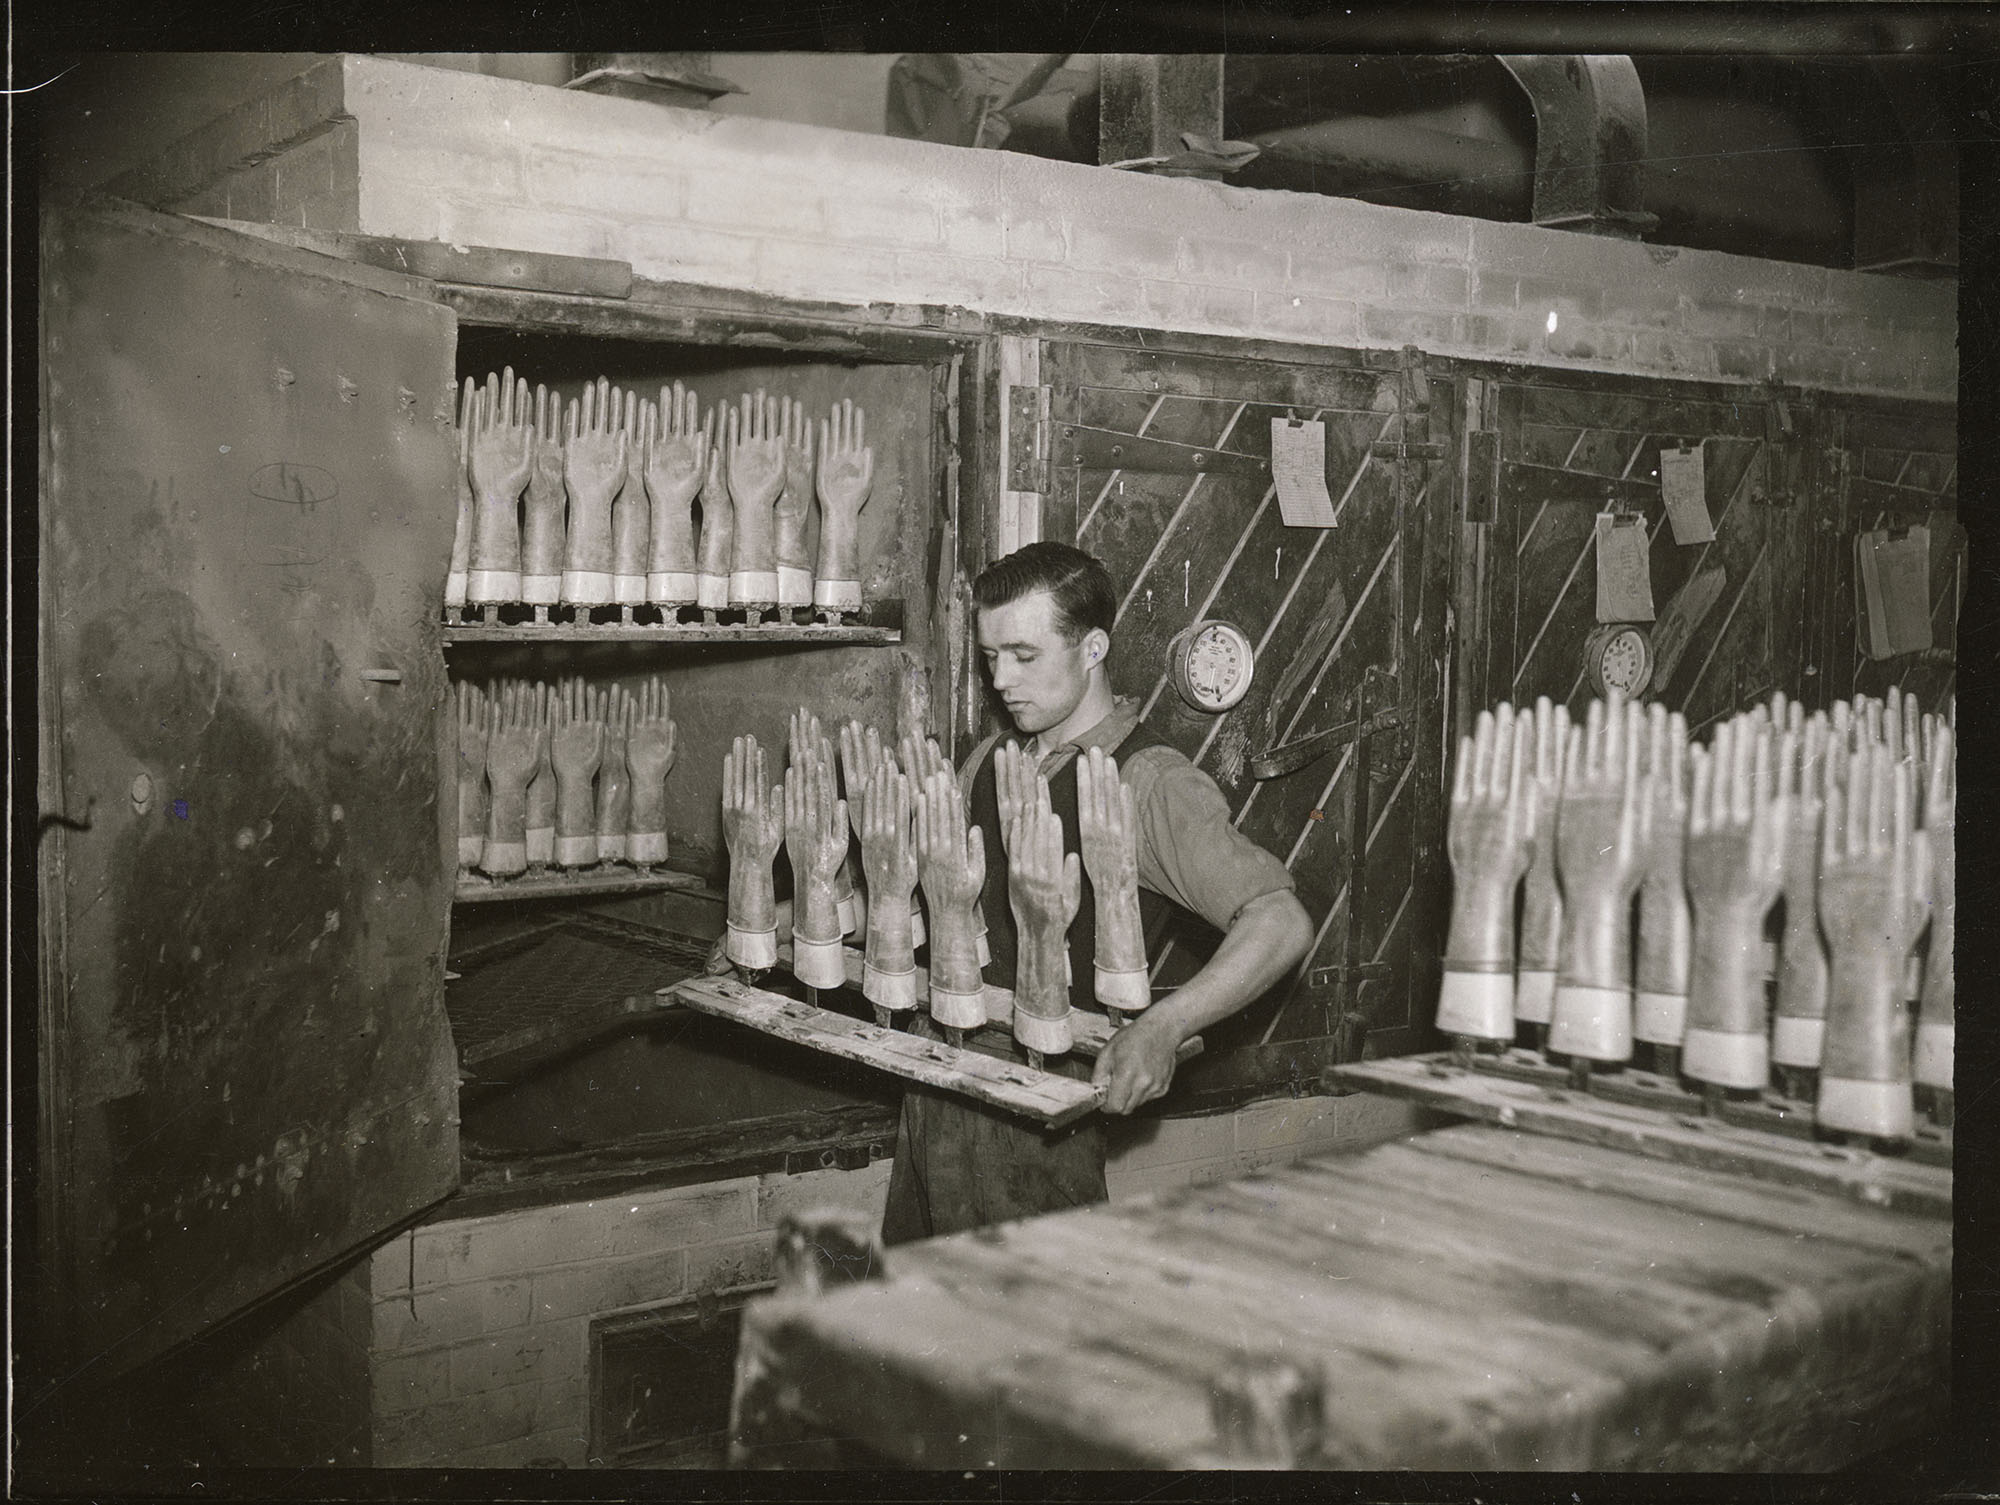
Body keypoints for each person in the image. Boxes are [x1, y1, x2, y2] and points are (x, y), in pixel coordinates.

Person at [879, 542, 1313, 1243]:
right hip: (936, 1088)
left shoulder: (1149, 781)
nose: (1002, 679)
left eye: (1024, 654)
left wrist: (1164, 1027)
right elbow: (934, 905)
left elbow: (1280, 919)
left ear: (1093, 647)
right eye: (991, 658)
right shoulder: (989, 761)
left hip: (1038, 1114)